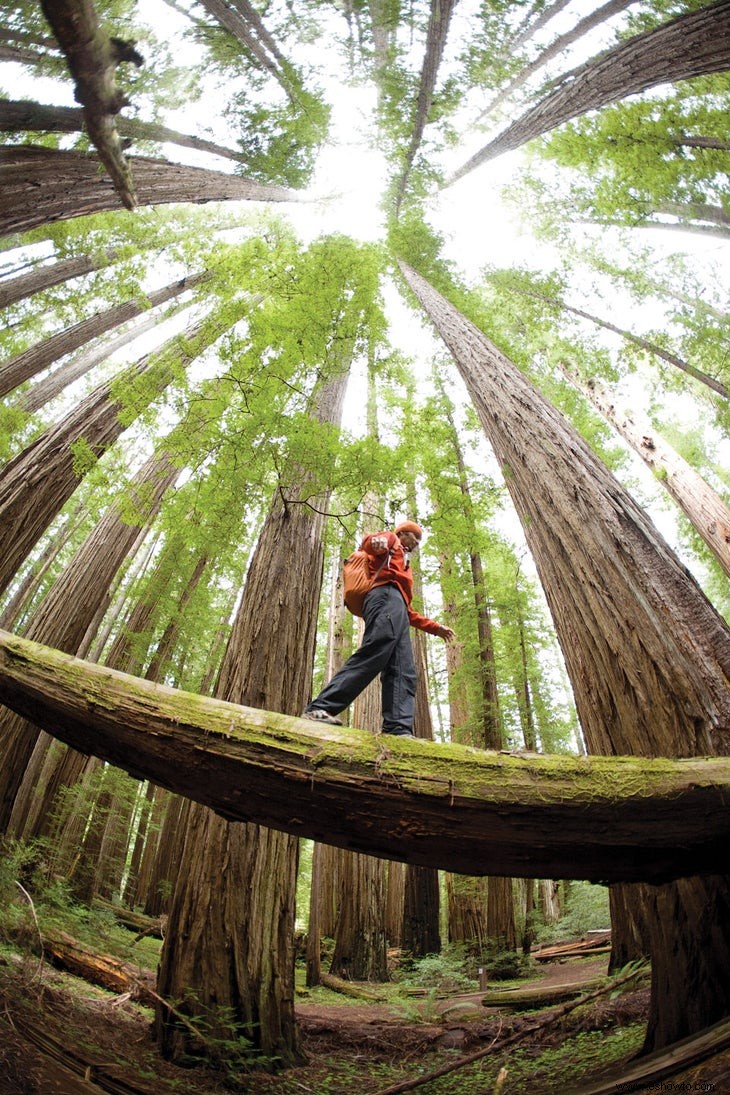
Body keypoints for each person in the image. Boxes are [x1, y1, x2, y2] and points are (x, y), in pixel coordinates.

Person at [302, 521, 455, 737]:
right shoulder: (392, 540)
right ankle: (321, 708)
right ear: (404, 533)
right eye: (416, 537)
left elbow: (408, 611)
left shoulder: (405, 562)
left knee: (403, 668)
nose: (418, 543)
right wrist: (378, 542)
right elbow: (369, 543)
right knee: (376, 650)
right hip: (383, 597)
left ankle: (397, 729)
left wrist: (435, 628)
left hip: (396, 606)